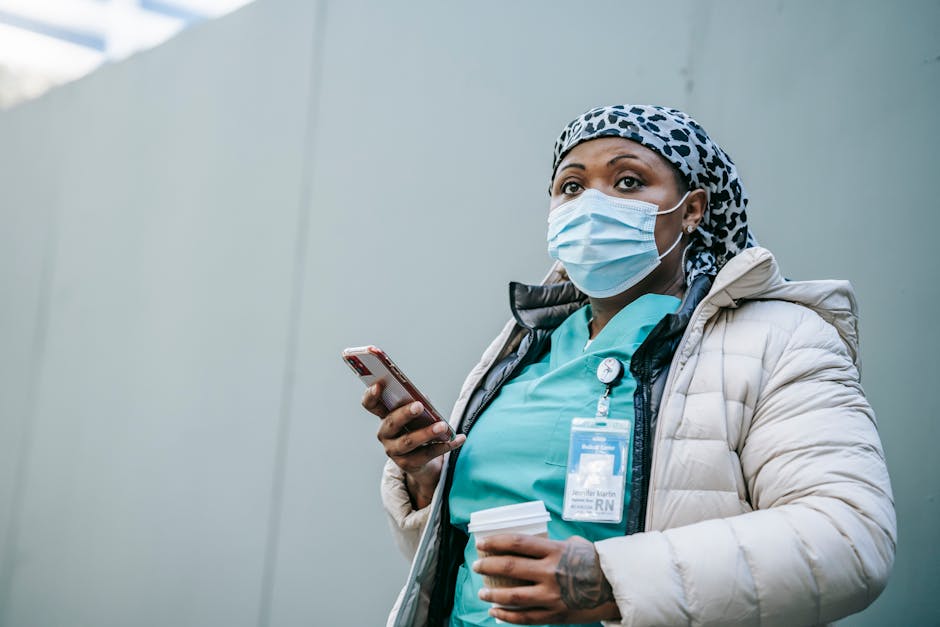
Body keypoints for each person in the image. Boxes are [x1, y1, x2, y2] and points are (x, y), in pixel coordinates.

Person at [362, 105, 895, 627]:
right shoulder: (525, 344)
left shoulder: (779, 340)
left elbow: (848, 538)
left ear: (692, 209)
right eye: (571, 187)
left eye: (628, 182)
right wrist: (430, 478)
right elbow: (471, 544)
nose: (593, 204)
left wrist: (611, 581)